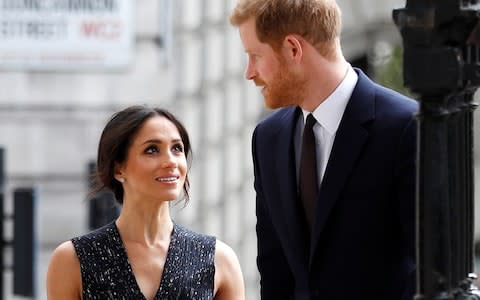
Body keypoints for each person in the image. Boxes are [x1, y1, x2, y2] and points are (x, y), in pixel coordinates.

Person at [229, 1, 418, 299]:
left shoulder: (406, 127)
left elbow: (431, 271)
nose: (249, 73)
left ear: (293, 49)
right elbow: (274, 268)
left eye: (255, 56)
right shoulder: (268, 138)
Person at [46, 105, 245, 300]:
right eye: (152, 150)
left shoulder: (218, 259)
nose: (171, 161)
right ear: (118, 169)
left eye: (177, 148)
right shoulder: (72, 260)